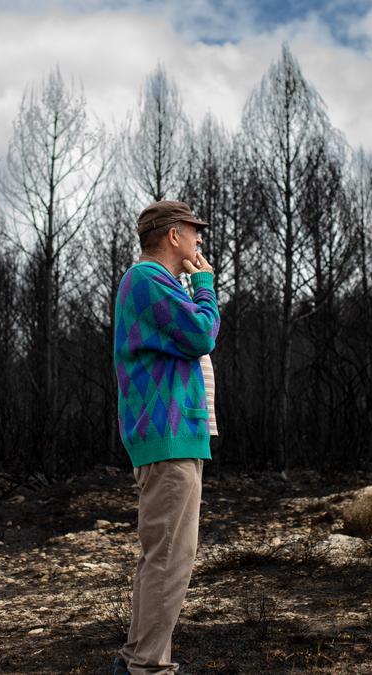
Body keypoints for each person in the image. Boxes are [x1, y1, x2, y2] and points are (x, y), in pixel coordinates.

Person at [112, 200, 220, 675]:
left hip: (178, 436)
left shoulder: (160, 284)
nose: (200, 241)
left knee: (169, 558)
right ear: (174, 234)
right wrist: (205, 286)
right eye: (195, 232)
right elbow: (201, 334)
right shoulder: (146, 280)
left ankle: (143, 663)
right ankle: (144, 668)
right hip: (167, 437)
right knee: (169, 561)